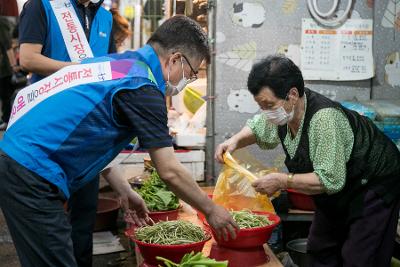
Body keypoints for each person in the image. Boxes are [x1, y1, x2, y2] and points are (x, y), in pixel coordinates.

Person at [0, 15, 238, 267]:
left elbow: (89, 130)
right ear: (175, 59)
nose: (188, 81)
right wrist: (211, 210)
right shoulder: (142, 86)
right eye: (191, 72)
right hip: (29, 173)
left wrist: (124, 190)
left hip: (20, 161)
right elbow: (169, 170)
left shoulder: (123, 64)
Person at [215, 55, 400, 267]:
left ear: (292, 94)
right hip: (337, 189)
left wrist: (282, 180)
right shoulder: (284, 113)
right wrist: (235, 141)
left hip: (374, 182)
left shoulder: (324, 119)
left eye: (268, 104)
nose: (266, 112)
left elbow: (328, 180)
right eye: (261, 105)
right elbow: (258, 128)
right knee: (320, 248)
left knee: (359, 258)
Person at [18, 1, 116, 265]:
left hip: (86, 130)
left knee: (84, 216)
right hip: (45, 131)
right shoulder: (42, 6)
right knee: (46, 219)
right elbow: (27, 58)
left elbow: (109, 67)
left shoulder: (106, 17)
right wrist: (78, 72)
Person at [0, 17, 17, 131]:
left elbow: (8, 45)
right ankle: (6, 119)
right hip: (3, 68)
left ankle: (7, 120)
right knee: (6, 95)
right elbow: (8, 45)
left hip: (4, 68)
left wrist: (13, 66)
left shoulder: (1, 23)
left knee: (6, 95)